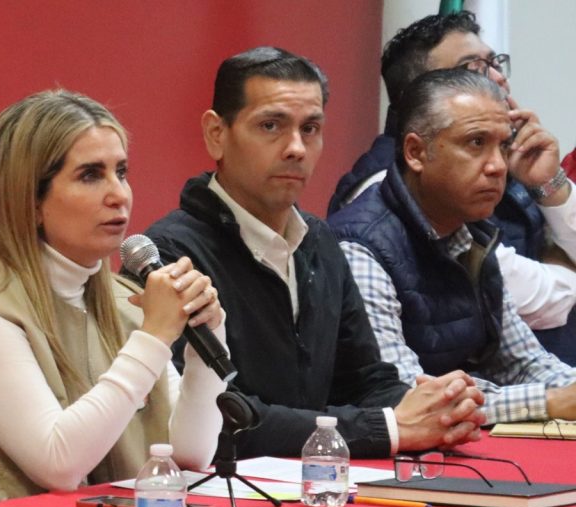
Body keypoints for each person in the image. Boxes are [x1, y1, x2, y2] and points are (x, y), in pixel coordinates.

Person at [0, 89, 226, 507]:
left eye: (121, 172)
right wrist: (154, 338)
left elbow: (189, 455)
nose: (119, 194)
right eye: (90, 175)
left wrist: (206, 346)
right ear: (30, 199)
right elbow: (58, 463)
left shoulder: (124, 301)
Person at [144, 47, 485, 460]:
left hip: (320, 477)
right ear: (217, 133)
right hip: (225, 486)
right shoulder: (170, 253)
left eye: (310, 128)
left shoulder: (319, 240)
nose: (296, 148)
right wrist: (390, 428)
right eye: (271, 126)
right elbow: (220, 416)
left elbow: (363, 380)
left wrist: (436, 407)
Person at [329, 68, 576, 426]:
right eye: (476, 143)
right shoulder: (360, 246)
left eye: (503, 146)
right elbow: (409, 398)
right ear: (416, 152)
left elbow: (523, 362)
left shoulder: (471, 234)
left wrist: (568, 392)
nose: (498, 166)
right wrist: (550, 402)